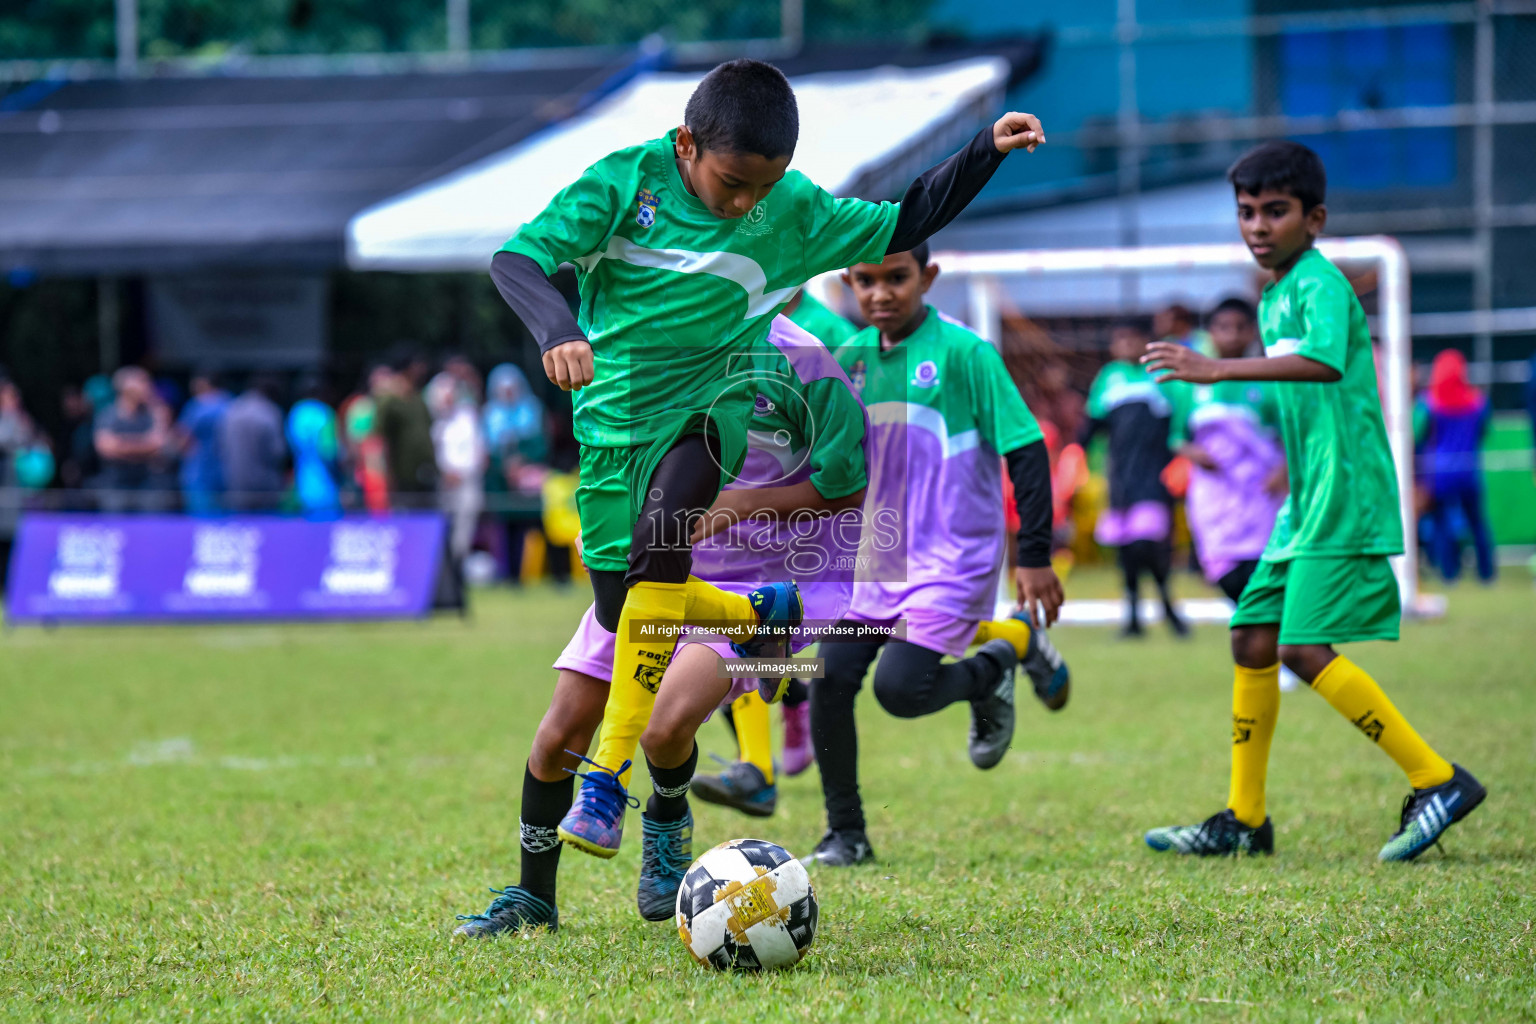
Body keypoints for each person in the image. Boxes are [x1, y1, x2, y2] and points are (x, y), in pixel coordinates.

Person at [489, 57, 1048, 859]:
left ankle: (607, 785)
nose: (750, 204)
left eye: (767, 185)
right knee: (630, 613)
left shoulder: (792, 243)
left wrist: (983, 152)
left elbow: (900, 215)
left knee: (659, 570)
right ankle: (753, 619)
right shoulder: (622, 184)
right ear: (686, 146)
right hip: (614, 438)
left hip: (705, 423)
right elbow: (518, 260)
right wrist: (558, 329)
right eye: (732, 184)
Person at [452, 315, 869, 937]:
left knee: (665, 725)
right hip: (655, 569)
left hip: (758, 579)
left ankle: (668, 829)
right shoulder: (646, 337)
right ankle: (533, 897)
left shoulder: (801, 360)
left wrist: (741, 505)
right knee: (555, 738)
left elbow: (846, 486)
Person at [1141, 139, 1484, 862]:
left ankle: (1439, 779)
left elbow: (1325, 363)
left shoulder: (1321, 285)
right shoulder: (1276, 293)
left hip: (1345, 491)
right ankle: (1245, 818)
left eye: (1275, 211)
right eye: (1246, 213)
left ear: (1314, 217)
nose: (1258, 226)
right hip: (1306, 499)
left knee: (1300, 646)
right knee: (1252, 636)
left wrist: (1215, 369)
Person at [807, 244, 1071, 868]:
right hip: (873, 558)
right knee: (829, 680)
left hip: (953, 556)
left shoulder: (966, 354)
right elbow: (830, 468)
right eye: (865, 281)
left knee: (900, 691)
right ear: (848, 283)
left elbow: (1027, 451)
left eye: (896, 279)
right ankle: (847, 833)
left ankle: (995, 665)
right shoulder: (848, 361)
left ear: (927, 277)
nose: (880, 294)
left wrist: (1033, 553)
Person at [1174, 298, 1287, 602]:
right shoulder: (1191, 385)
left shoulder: (1268, 380)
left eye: (1240, 327)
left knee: (1262, 575)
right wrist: (1194, 453)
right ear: (1210, 332)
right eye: (1223, 327)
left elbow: (1289, 436)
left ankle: (1262, 633)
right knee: (1225, 573)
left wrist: (1283, 472)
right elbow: (1176, 436)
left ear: (1253, 332)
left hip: (1260, 493)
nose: (1232, 335)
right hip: (1215, 495)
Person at [1079, 321, 1188, 637]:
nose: (1125, 344)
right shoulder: (1108, 378)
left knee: (1148, 545)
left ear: (1145, 341)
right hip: (1119, 480)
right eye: (1119, 338)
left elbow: (1179, 423)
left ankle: (1167, 608)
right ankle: (1135, 617)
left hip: (1155, 479)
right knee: (1126, 551)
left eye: (1131, 337)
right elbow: (1092, 424)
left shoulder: (1161, 376)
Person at [1416, 349, 1494, 583]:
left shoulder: (1429, 402)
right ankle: (1486, 573)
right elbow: (1483, 431)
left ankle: (1449, 573)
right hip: (1469, 470)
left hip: (1439, 474)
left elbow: (1420, 434)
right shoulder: (1478, 402)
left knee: (1442, 523)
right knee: (1477, 521)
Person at [482, 363, 549, 581]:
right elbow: (486, 450)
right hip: (502, 483)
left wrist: (522, 462)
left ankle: (551, 573)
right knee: (506, 530)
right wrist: (506, 467)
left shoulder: (532, 409)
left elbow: (542, 445)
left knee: (538, 527)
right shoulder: (490, 414)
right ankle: (509, 576)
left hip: (530, 481)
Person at [93, 367, 173, 513]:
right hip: (115, 487)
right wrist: (144, 445)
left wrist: (121, 444)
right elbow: (105, 448)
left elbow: (160, 444)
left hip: (147, 487)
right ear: (125, 386)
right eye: (142, 381)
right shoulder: (108, 415)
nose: (148, 386)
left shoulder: (154, 412)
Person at [427, 371, 487, 561]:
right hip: (440, 484)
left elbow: (479, 450)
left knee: (464, 529)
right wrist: (444, 473)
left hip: (467, 483)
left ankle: (458, 566)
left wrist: (462, 473)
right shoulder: (430, 421)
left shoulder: (468, 417)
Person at [375, 351, 437, 507]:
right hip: (401, 476)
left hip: (425, 472)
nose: (423, 369)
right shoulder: (389, 400)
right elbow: (380, 438)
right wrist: (387, 474)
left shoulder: (418, 397)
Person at [220, 374, 287, 513]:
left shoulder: (232, 409)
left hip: (234, 483)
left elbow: (220, 448)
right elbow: (278, 452)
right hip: (264, 487)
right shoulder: (270, 412)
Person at [176, 369, 229, 516]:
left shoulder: (197, 406)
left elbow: (183, 440)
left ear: (202, 383)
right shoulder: (231, 403)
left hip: (199, 473)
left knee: (201, 522)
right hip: (226, 471)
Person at [286, 380, 342, 519]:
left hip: (302, 483)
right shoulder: (324, 413)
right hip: (326, 484)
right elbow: (329, 452)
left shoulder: (295, 413)